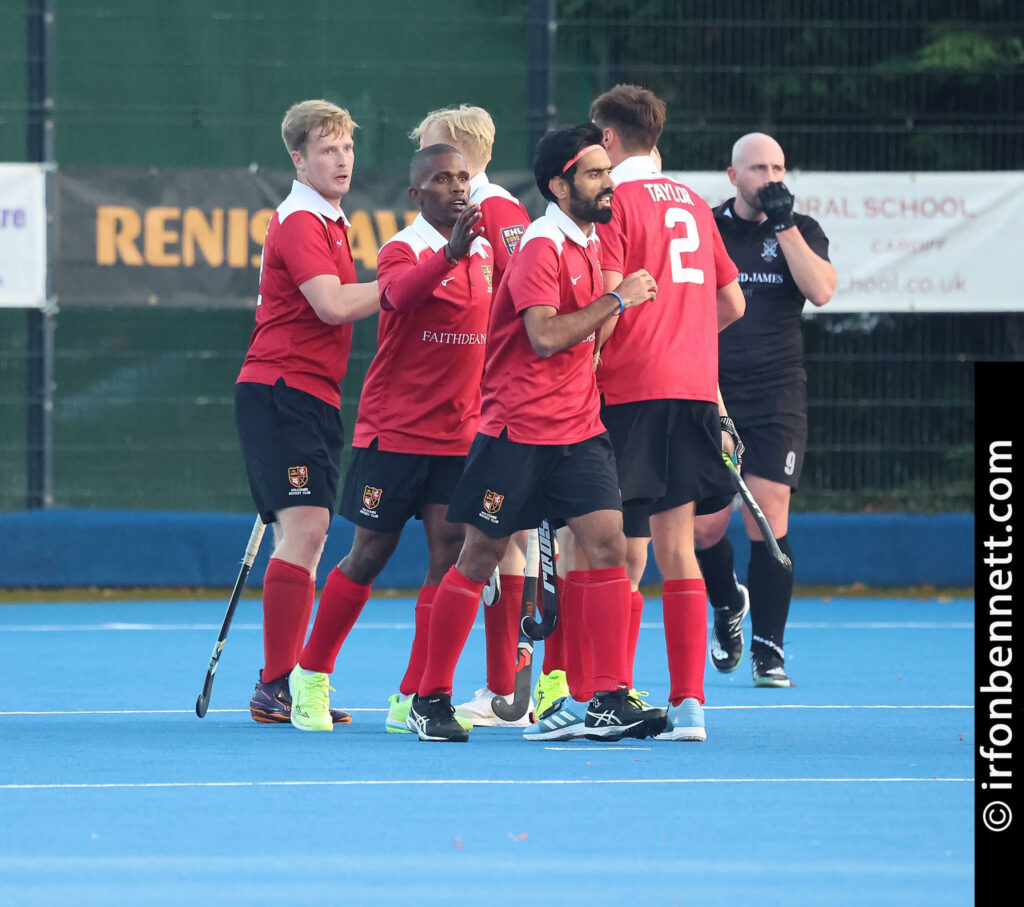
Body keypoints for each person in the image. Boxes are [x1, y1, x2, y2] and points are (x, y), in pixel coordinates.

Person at [406, 123, 664, 743]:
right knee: (479, 555)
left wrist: (611, 305)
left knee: (609, 548)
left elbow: (587, 340)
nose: (608, 183)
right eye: (595, 174)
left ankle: (607, 698)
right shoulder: (541, 246)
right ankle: (429, 698)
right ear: (560, 185)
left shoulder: (589, 244)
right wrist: (619, 300)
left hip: (579, 430)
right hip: (517, 430)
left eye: (608, 171)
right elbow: (544, 336)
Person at [284, 143, 495, 732]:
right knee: (369, 554)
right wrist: (450, 255)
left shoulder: (485, 253)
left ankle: (414, 696)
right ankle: (310, 674)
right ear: (416, 194)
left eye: (463, 178)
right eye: (442, 180)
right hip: (395, 431)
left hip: (459, 435)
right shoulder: (403, 248)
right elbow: (398, 295)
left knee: (448, 557)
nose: (457, 188)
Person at [588, 84, 745, 742]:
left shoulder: (611, 202)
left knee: (624, 552)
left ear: (609, 138)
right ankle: (690, 706)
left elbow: (606, 304)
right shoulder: (694, 204)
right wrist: (686, 340)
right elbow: (732, 302)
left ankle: (613, 695)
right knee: (677, 549)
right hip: (693, 389)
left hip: (632, 391)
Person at [235, 99, 379, 726]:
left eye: (347, 147)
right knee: (308, 528)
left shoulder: (331, 222)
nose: (342, 159)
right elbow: (332, 304)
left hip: (314, 394)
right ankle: (276, 683)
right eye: (327, 149)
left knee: (310, 533)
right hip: (281, 392)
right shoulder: (298, 220)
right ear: (298, 159)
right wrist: (413, 281)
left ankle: (284, 682)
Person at [411, 105, 551, 727]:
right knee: (504, 542)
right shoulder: (498, 210)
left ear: (461, 153)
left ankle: (510, 691)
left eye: (434, 151)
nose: (427, 164)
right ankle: (507, 692)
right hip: (496, 397)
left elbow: (515, 303)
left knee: (502, 543)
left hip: (496, 401)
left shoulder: (490, 211)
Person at [694, 132, 837, 687]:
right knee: (704, 528)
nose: (770, 178)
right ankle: (728, 603)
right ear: (733, 176)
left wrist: (784, 226)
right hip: (714, 390)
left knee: (767, 516)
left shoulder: (802, 231)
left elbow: (821, 291)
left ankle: (768, 651)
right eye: (758, 169)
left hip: (777, 394)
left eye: (778, 168)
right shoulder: (707, 226)